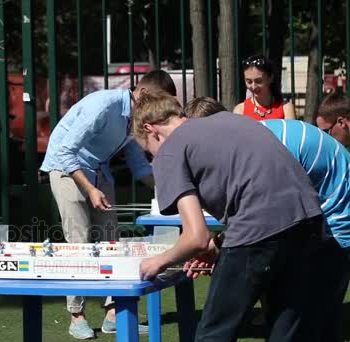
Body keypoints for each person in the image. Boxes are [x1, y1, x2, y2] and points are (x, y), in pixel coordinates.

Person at [133, 91, 324, 341]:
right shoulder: (232, 120)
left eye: (148, 150)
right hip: (309, 220)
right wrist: (221, 242)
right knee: (285, 329)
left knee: (213, 334)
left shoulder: (170, 148)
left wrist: (159, 261)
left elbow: (196, 237)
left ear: (151, 129)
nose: (153, 157)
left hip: (258, 231)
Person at [186, 96, 350, 342]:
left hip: (333, 224)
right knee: (303, 321)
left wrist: (221, 247)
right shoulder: (251, 137)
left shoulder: (252, 146)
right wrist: (220, 244)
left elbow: (267, 213)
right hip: (320, 218)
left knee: (308, 324)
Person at [39, 69, 176, 339]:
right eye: (160, 102)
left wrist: (172, 191)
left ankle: (114, 314)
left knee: (110, 240)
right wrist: (90, 189)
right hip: (65, 166)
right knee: (78, 241)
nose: (162, 112)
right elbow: (66, 150)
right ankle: (77, 316)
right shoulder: (104, 105)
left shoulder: (137, 117)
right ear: (144, 94)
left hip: (97, 169)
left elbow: (140, 166)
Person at [233, 54, 296, 120]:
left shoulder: (286, 108)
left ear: (271, 78)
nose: (253, 86)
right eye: (249, 82)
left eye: (258, 81)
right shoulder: (240, 110)